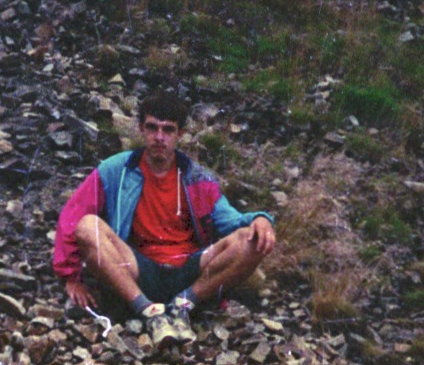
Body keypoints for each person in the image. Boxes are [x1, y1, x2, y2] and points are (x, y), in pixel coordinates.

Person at [53, 90, 276, 339]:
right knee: (87, 226)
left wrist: (260, 218)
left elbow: (230, 220)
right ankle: (148, 310)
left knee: (252, 238)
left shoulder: (197, 178)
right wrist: (71, 277)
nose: (159, 137)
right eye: (152, 128)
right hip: (138, 269)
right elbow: (72, 217)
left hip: (189, 271)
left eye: (168, 130)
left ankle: (183, 305)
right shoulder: (116, 169)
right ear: (141, 129)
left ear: (180, 134)